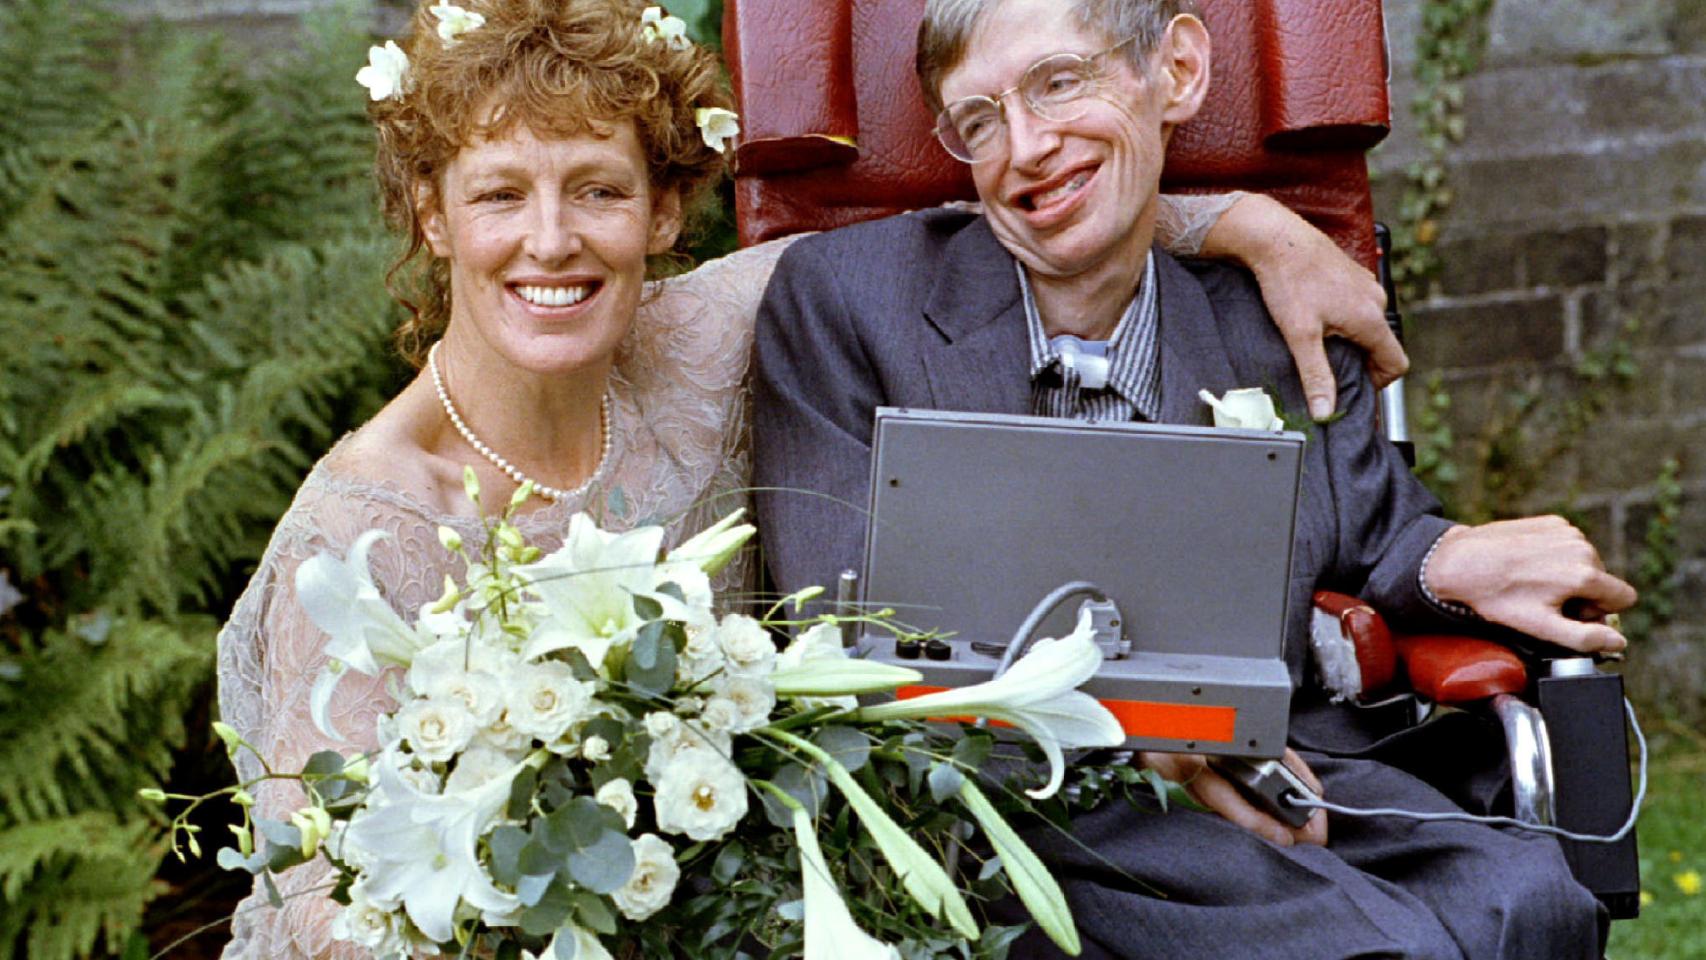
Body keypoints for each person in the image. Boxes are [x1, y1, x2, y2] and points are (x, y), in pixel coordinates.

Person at [212, 1, 1401, 956]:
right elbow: (335, 907)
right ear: (430, 213)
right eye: (497, 196)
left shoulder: (712, 331)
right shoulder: (367, 528)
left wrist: (1251, 224)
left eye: (599, 189)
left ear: (667, 212)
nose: (552, 241)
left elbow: (1015, 209)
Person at [750, 0, 1638, 957]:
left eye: (1058, 83)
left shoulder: (1275, 321)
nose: (1027, 148)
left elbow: (1366, 532)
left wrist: (1445, 565)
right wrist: (1148, 740)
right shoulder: (848, 302)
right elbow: (840, 634)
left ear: (1174, 71)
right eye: (979, 121)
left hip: (1286, 765)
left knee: (1530, 905)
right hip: (1017, 800)